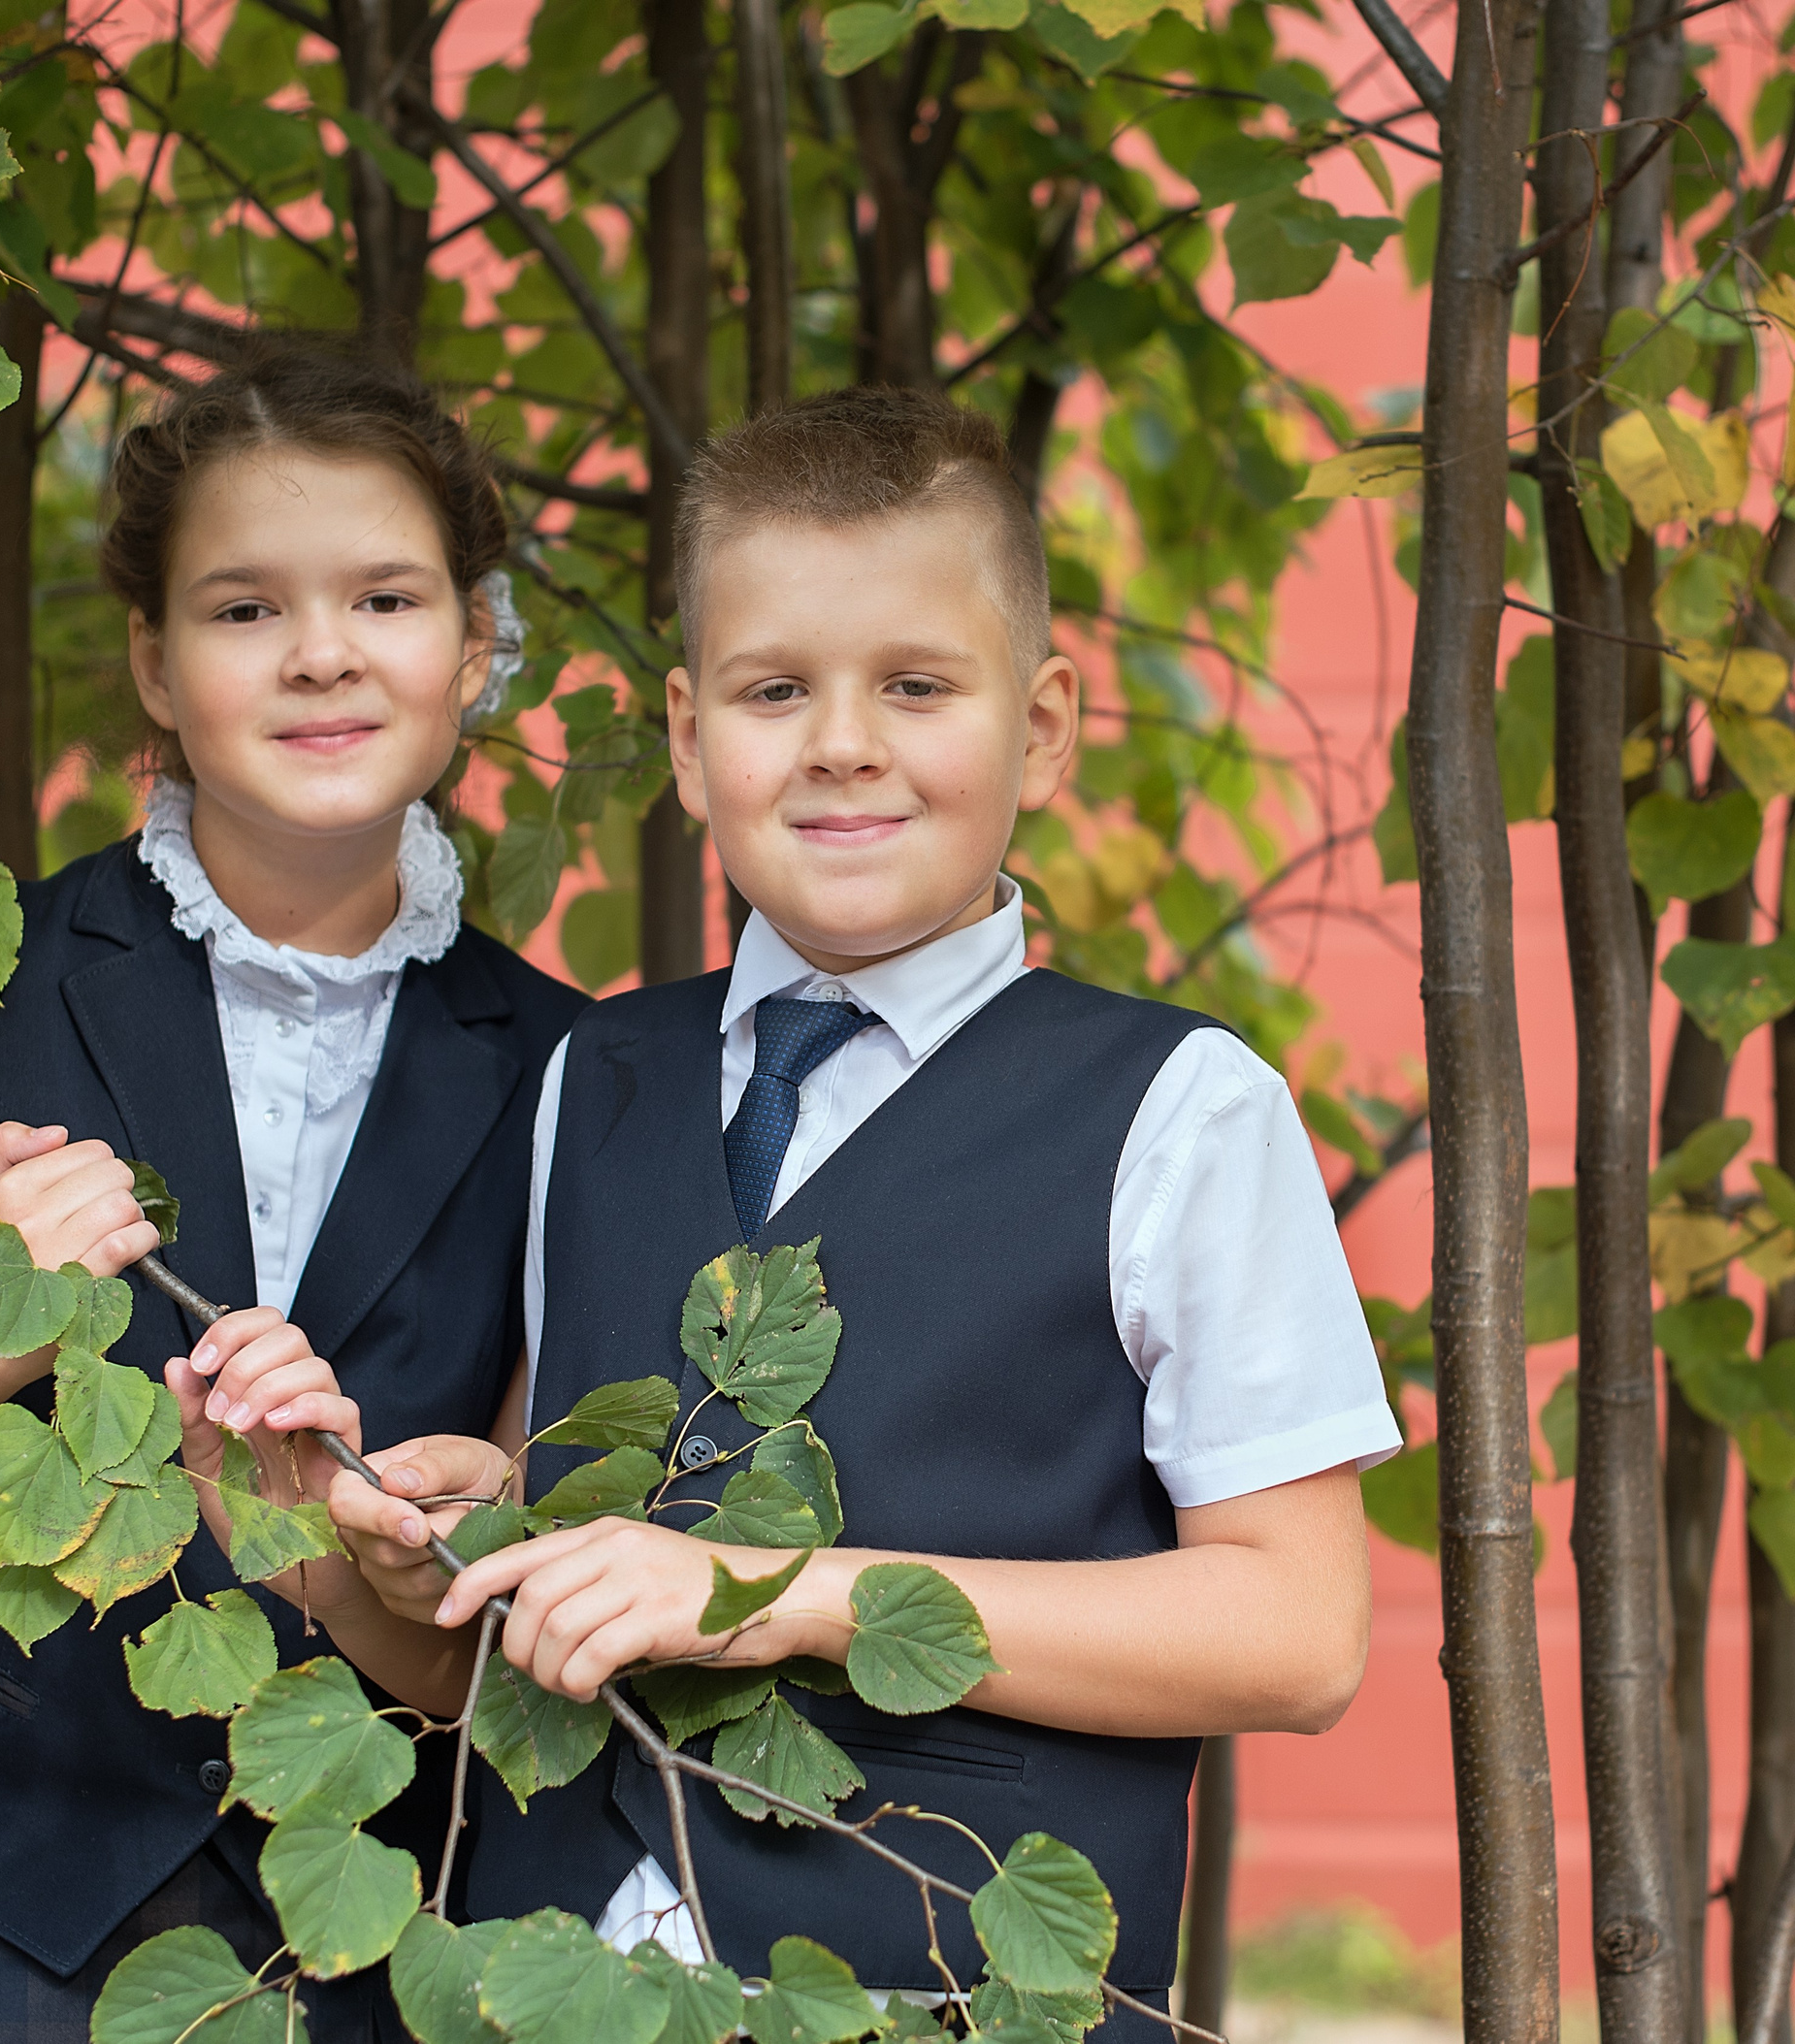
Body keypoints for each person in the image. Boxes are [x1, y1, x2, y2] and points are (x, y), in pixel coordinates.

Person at [318, 387, 1401, 2034]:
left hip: (948, 1987)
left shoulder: (1184, 1112)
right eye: (775, 690)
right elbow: (560, 1558)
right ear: (689, 738)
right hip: (543, 1987)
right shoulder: (589, 1076)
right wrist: (465, 1538)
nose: (841, 743)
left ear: (1040, 726)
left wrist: (784, 1592)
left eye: (914, 685)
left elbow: (1297, 1632)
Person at [0, 343, 586, 2044]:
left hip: (380, 1936)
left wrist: (311, 1535)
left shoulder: (574, 1080)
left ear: (473, 649)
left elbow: (484, 1667)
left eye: (386, 598)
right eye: (243, 610)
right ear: (155, 667)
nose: (321, 651)